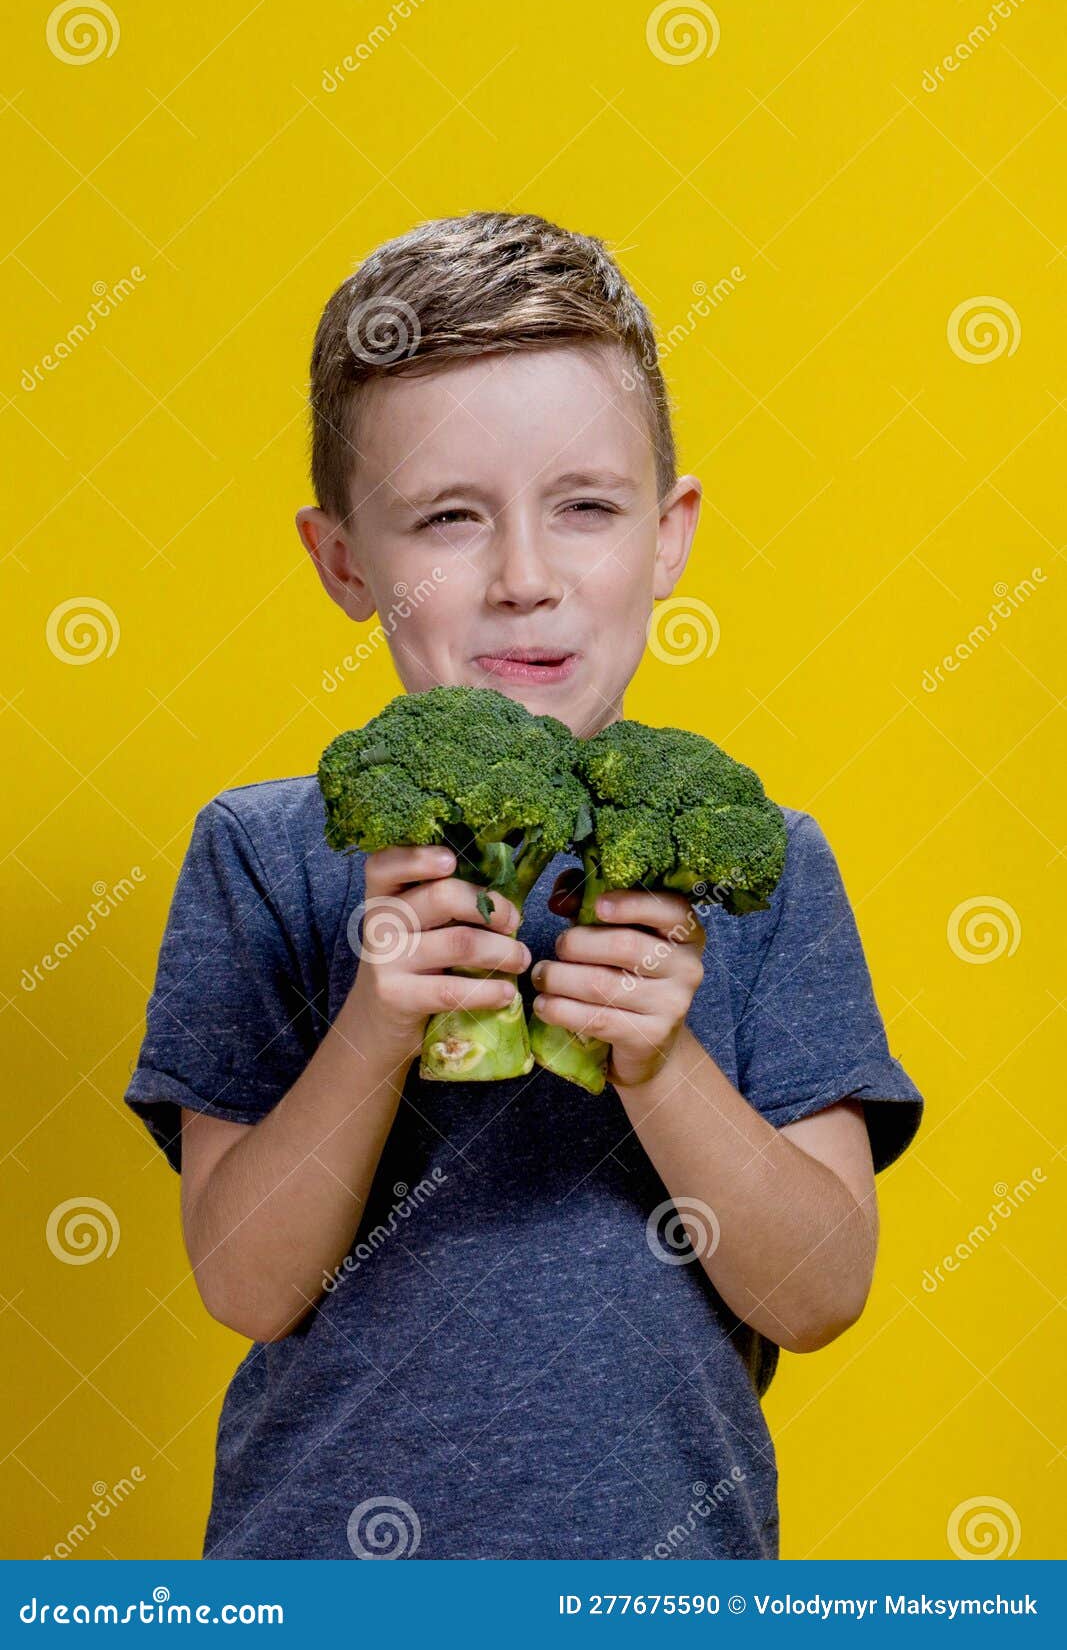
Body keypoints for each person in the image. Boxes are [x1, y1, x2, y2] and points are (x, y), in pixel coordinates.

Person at [124, 210, 923, 1560]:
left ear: (669, 536)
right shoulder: (262, 856)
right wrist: (376, 1019)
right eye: (448, 517)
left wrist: (663, 1062)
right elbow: (248, 1282)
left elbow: (818, 1290)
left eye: (587, 507)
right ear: (344, 562)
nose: (526, 580)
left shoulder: (764, 868)